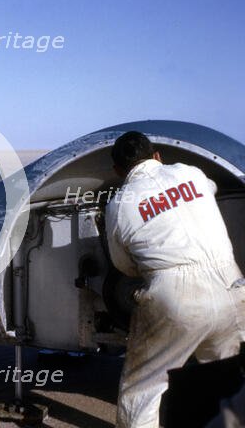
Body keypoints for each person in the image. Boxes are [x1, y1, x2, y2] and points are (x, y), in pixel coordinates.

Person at [104, 131, 245, 428]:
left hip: (176, 294)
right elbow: (211, 188)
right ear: (157, 156)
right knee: (227, 378)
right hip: (232, 285)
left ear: (118, 170)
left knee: (144, 389)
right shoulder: (190, 172)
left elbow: (124, 266)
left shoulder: (118, 205)